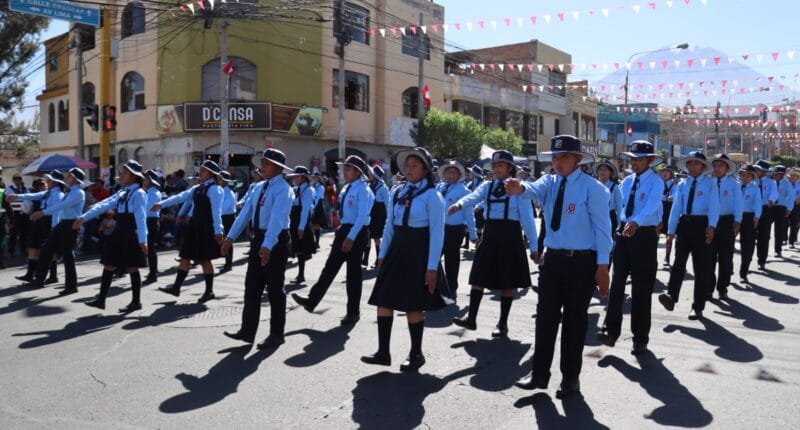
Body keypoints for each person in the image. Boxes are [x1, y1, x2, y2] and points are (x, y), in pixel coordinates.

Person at [508, 135, 611, 399]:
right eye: (555, 157)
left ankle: (570, 378)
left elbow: (603, 229)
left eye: (564, 157)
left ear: (577, 159)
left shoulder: (593, 188)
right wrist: (519, 187)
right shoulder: (549, 182)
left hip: (581, 262)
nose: (558, 162)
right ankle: (539, 374)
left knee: (575, 323)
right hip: (552, 260)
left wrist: (602, 267)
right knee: (545, 319)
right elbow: (530, 189)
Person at [362, 147, 450, 371]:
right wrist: (381, 255)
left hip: (418, 250)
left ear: (426, 170)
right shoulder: (397, 192)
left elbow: (437, 234)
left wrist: (432, 267)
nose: (409, 169)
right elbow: (390, 226)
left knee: (413, 305)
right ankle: (383, 352)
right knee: (384, 299)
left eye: (415, 166)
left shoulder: (433, 196)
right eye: (407, 166)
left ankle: (416, 354)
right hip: (396, 249)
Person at [448, 150, 538, 338]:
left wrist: (535, 247)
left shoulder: (518, 188)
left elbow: (528, 219)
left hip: (510, 235)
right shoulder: (487, 187)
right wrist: (459, 205)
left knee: (507, 282)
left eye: (500, 165)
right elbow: (472, 197)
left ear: (509, 168)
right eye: (494, 166)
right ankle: (471, 318)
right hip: (490, 234)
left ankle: (502, 324)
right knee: (478, 276)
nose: (496, 169)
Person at [597, 141, 663, 356]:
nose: (634, 163)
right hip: (623, 235)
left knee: (641, 289)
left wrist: (636, 222)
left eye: (639, 159)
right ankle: (610, 330)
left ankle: (640, 338)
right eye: (632, 159)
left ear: (650, 160)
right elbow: (620, 206)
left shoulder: (656, 182)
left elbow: (652, 205)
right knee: (617, 283)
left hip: (643, 235)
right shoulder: (626, 182)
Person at [222, 149, 293, 349]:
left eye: (267, 163)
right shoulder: (259, 187)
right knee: (252, 287)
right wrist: (230, 237)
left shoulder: (283, 189)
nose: (262, 166)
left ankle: (277, 334)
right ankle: (247, 331)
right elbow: (245, 213)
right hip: (259, 238)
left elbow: (278, 220)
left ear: (278, 168)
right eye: (262, 162)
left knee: (274, 289)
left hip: (275, 240)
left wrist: (267, 245)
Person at [292, 155, 374, 325]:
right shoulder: (347, 188)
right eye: (345, 168)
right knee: (329, 268)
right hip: (345, 229)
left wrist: (350, 237)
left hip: (357, 232)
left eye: (349, 168)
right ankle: (312, 300)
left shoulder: (363, 190)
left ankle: (353, 312)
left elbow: (361, 216)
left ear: (358, 172)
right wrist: (341, 231)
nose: (345, 171)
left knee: (353, 273)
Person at [75, 161, 149, 313]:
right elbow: (107, 203)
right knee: (108, 263)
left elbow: (141, 218)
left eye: (124, 172)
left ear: (134, 176)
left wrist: (143, 240)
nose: (121, 175)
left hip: (130, 232)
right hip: (119, 229)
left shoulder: (139, 193)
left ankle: (136, 302)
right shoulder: (123, 191)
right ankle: (101, 300)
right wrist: (85, 216)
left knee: (132, 267)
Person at [658, 151, 720, 320]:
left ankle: (697, 306)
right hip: (685, 224)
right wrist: (671, 232)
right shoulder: (682, 184)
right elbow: (676, 208)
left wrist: (711, 226)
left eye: (696, 164)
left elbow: (714, 205)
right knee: (678, 263)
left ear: (702, 166)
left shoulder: (710, 184)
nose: (693, 167)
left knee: (701, 268)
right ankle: (671, 296)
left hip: (702, 224)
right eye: (690, 164)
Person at [152, 160, 224, 303]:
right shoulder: (197, 188)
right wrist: (161, 204)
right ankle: (176, 287)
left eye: (203, 171)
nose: (200, 173)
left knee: (204, 260)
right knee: (185, 256)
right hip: (194, 227)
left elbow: (217, 212)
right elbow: (181, 197)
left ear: (210, 174)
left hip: (205, 227)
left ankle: (209, 291)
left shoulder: (215, 189)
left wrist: (218, 230)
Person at [28, 168, 87, 294]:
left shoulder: (78, 192)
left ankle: (71, 286)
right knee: (46, 248)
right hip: (63, 223)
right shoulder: (69, 191)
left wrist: (42, 212)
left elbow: (61, 206)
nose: (67, 177)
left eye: (70, 176)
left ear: (75, 179)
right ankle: (39, 279)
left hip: (71, 224)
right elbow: (60, 208)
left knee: (67, 255)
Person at [8, 177, 60, 283]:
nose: (44, 185)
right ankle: (30, 273)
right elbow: (31, 200)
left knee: (50, 250)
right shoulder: (42, 194)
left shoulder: (56, 194)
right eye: (40, 184)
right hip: (37, 224)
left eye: (46, 183)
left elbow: (56, 211)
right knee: (33, 248)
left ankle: (52, 275)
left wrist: (54, 225)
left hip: (47, 223)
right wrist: (17, 196)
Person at [437, 160, 477, 299]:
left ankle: (451, 287)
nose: (451, 175)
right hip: (439, 228)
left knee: (451, 260)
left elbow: (469, 213)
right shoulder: (440, 187)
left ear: (459, 175)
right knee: (434, 257)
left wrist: (473, 233)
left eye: (454, 172)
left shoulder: (464, 190)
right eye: (449, 172)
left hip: (455, 229)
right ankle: (438, 285)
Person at [709, 154, 742, 300]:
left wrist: (737, 221)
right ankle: (708, 287)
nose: (717, 169)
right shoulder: (708, 182)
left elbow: (738, 203)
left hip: (726, 221)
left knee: (725, 257)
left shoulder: (734, 184)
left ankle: (722, 287)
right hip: (710, 222)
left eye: (720, 166)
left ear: (727, 168)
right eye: (715, 165)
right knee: (708, 257)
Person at [285, 166, 316, 284]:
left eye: (296, 176)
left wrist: (301, 227)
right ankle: (299, 275)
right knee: (297, 249)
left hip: (300, 222)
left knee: (301, 250)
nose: (294, 179)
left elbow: (305, 210)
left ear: (303, 177)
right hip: (294, 222)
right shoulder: (296, 189)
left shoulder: (307, 190)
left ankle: (301, 275)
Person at [737, 164, 762, 284]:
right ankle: (727, 270)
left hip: (749, 218)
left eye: (748, 176)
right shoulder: (735, 186)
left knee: (747, 246)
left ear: (752, 177)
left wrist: (757, 217)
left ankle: (743, 272)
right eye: (743, 175)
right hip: (734, 217)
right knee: (726, 246)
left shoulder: (755, 189)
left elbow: (758, 203)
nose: (745, 178)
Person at [753, 159, 777, 270]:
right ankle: (746, 261)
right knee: (750, 237)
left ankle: (761, 260)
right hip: (752, 210)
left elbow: (774, 193)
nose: (756, 171)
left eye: (758, 169)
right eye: (756, 169)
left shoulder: (771, 182)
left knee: (764, 236)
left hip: (765, 209)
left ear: (764, 171)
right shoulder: (751, 180)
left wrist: (771, 199)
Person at [364, 165, 390, 267]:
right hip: (370, 213)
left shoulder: (383, 187)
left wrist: (389, 217)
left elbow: (387, 203)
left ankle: (378, 260)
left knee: (376, 238)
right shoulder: (369, 186)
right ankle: (365, 259)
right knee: (368, 237)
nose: (368, 175)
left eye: (371, 174)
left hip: (379, 214)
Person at [144, 169, 163, 284]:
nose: (144, 181)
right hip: (149, 220)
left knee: (151, 248)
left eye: (146, 178)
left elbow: (147, 209)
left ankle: (153, 272)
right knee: (149, 247)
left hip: (151, 220)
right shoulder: (148, 192)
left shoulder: (153, 193)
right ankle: (152, 271)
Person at [772, 165, 794, 258]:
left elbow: (791, 196)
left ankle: (778, 250)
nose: (776, 175)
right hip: (770, 207)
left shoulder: (786, 183)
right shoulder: (770, 182)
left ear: (782, 175)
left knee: (779, 230)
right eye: (775, 173)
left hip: (781, 207)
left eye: (778, 174)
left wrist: (789, 208)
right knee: (764, 229)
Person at [218, 170, 237, 272]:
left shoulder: (229, 193)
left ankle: (228, 264)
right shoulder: (221, 190)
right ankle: (226, 260)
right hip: (223, 217)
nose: (218, 181)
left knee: (228, 240)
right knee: (223, 240)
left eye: (220, 179)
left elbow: (223, 208)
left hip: (228, 217)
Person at [6, 174, 30, 257]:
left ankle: (23, 250)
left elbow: (28, 197)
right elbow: (11, 198)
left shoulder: (24, 188)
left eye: (19, 180)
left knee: (24, 233)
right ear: (13, 180)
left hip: (24, 213)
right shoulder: (10, 189)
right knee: (13, 233)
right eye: (16, 180)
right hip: (14, 213)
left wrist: (19, 197)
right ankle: (11, 251)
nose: (17, 182)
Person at [658, 167, 678, 265]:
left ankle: (667, 257)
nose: (665, 173)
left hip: (669, 211)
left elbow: (676, 195)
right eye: (663, 171)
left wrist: (672, 197)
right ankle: (652, 257)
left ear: (671, 174)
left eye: (667, 172)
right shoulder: (657, 184)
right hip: (658, 212)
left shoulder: (674, 185)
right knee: (655, 234)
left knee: (669, 236)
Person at [310, 171, 327, 250]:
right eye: (313, 177)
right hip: (313, 205)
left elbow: (317, 198)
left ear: (318, 178)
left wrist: (313, 207)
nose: (313, 178)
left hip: (318, 206)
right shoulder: (312, 186)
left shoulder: (320, 187)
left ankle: (317, 242)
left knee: (316, 225)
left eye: (315, 177)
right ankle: (313, 242)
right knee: (312, 225)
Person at [788, 169, 800, 248]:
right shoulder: (786, 184)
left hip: (797, 205)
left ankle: (792, 241)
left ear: (798, 177)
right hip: (787, 205)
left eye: (794, 175)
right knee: (784, 224)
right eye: (791, 175)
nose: (792, 177)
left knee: (795, 224)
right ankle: (783, 238)